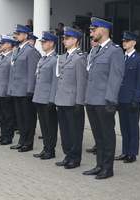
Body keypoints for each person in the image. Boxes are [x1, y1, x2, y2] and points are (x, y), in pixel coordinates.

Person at [83, 17, 125, 179]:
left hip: (104, 101)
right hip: (91, 99)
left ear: (103, 30)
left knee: (107, 136)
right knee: (98, 136)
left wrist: (111, 101)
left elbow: (116, 77)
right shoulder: (95, 50)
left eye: (94, 30)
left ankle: (108, 168)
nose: (91, 33)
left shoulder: (115, 50)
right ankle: (99, 165)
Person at [54, 27, 88, 169]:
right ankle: (67, 155)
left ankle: (75, 158)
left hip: (73, 101)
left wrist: (79, 102)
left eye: (67, 38)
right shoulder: (62, 57)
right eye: (63, 38)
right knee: (65, 131)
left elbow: (82, 81)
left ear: (75, 40)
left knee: (74, 132)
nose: (64, 41)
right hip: (61, 99)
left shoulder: (80, 58)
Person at [115, 31, 140, 163]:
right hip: (121, 98)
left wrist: (137, 99)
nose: (124, 43)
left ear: (134, 43)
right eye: (123, 41)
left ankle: (132, 153)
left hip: (132, 98)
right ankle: (125, 151)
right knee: (124, 126)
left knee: (133, 126)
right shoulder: (122, 58)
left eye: (127, 41)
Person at [8, 24, 41, 152]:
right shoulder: (16, 50)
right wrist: (11, 88)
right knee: (20, 118)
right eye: (16, 34)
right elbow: (13, 72)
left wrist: (30, 90)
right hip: (17, 89)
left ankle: (28, 143)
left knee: (28, 118)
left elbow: (33, 72)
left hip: (26, 90)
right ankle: (22, 140)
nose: (16, 36)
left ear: (26, 36)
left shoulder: (31, 51)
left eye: (19, 34)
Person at [32, 32, 58, 160]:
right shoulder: (43, 58)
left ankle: (51, 150)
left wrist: (52, 99)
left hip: (48, 98)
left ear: (51, 43)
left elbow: (55, 81)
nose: (41, 44)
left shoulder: (55, 59)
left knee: (50, 125)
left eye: (44, 42)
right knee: (43, 125)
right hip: (39, 97)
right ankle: (45, 148)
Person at [0, 34, 16, 145]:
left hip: (6, 90)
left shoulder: (12, 57)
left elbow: (12, 76)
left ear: (9, 45)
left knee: (8, 115)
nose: (0, 45)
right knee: (1, 115)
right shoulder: (0, 57)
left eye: (3, 43)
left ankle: (8, 136)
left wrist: (9, 90)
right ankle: (3, 134)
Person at [85, 38, 99, 155]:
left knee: (103, 127)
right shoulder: (91, 53)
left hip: (100, 95)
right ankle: (97, 144)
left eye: (94, 40)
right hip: (90, 93)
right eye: (91, 40)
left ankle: (100, 145)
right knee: (94, 125)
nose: (92, 42)